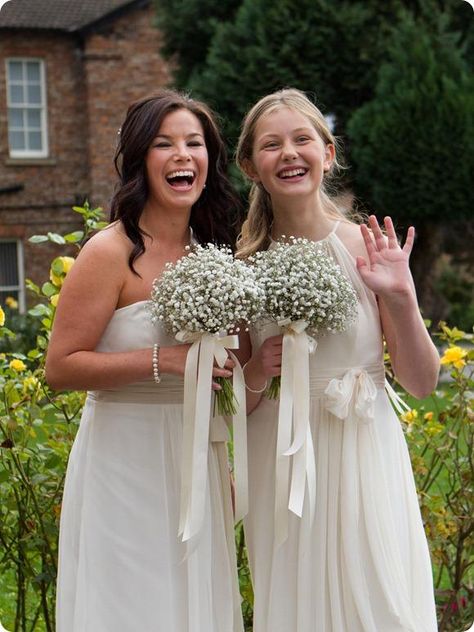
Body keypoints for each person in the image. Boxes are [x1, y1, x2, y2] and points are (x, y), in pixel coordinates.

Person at [236, 88, 439, 632]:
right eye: (271, 144)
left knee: (380, 604)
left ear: (328, 153)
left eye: (302, 139)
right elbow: (237, 402)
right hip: (278, 458)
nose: (289, 153)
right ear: (250, 166)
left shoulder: (371, 248)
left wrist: (400, 295)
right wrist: (258, 371)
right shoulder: (241, 266)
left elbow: (421, 382)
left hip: (362, 448)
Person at [46, 90, 243, 632]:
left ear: (209, 160)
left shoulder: (215, 249)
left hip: (196, 452)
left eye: (194, 143)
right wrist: (163, 360)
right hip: (124, 455)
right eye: (164, 143)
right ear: (141, 160)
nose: (182, 154)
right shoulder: (110, 251)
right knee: (134, 601)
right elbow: (61, 366)